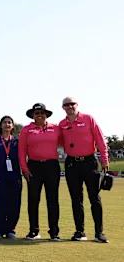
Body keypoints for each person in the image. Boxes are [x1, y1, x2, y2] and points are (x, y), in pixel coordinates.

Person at [58, 97, 109, 243]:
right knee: (76, 199)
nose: (69, 107)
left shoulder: (88, 119)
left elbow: (100, 139)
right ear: (63, 108)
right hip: (72, 164)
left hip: (89, 162)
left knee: (95, 198)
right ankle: (80, 231)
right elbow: (61, 141)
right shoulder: (62, 124)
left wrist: (104, 159)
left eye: (71, 104)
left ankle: (99, 233)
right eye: (66, 105)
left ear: (77, 105)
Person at [19, 103, 61, 241]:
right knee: (33, 200)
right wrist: (24, 168)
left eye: (42, 113)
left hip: (52, 166)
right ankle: (34, 231)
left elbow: (66, 142)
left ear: (46, 115)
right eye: (37, 113)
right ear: (32, 115)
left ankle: (54, 232)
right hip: (34, 166)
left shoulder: (55, 128)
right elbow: (22, 151)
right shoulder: (26, 130)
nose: (39, 115)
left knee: (53, 200)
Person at [0, 116, 21, 240]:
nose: (7, 124)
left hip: (15, 175)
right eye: (5, 122)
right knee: (1, 203)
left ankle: (11, 230)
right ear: (0, 125)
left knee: (14, 203)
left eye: (10, 122)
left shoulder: (17, 141)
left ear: (12, 126)